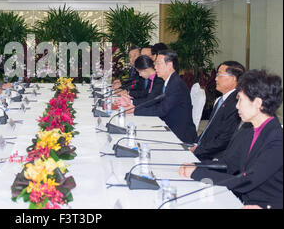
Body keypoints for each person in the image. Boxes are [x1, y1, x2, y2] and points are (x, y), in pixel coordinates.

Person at [179, 69, 283, 209]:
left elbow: (248, 180)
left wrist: (198, 173)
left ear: (257, 103)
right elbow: (228, 164)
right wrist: (197, 165)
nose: (237, 105)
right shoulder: (248, 129)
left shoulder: (277, 139)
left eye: (240, 99)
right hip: (242, 200)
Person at [116, 50, 197, 144]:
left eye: (158, 64)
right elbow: (155, 102)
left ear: (169, 65)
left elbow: (162, 110)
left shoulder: (176, 84)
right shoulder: (169, 81)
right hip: (168, 126)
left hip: (179, 134)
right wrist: (134, 105)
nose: (155, 67)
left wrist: (135, 110)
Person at [191, 61, 245, 160]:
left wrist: (197, 150)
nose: (215, 79)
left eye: (219, 75)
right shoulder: (221, 99)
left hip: (213, 157)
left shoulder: (237, 103)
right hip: (203, 149)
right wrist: (194, 144)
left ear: (233, 79)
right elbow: (210, 129)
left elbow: (225, 139)